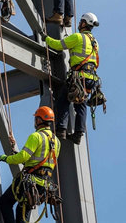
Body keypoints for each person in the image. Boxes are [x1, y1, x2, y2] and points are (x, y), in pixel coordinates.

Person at [41, 12, 99, 145]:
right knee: (81, 105)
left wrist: (46, 38)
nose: (79, 24)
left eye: (81, 22)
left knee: (63, 100)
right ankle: (78, 134)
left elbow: (57, 45)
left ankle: (61, 129)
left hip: (79, 76)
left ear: (84, 23)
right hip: (91, 79)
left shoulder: (78, 37)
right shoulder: (95, 43)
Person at [0, 106, 60, 223]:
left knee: (5, 202)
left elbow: (23, 157)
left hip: (29, 182)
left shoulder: (36, 136)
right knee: (22, 214)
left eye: (36, 119)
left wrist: (6, 158)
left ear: (39, 120)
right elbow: (44, 162)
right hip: (43, 185)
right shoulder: (57, 142)